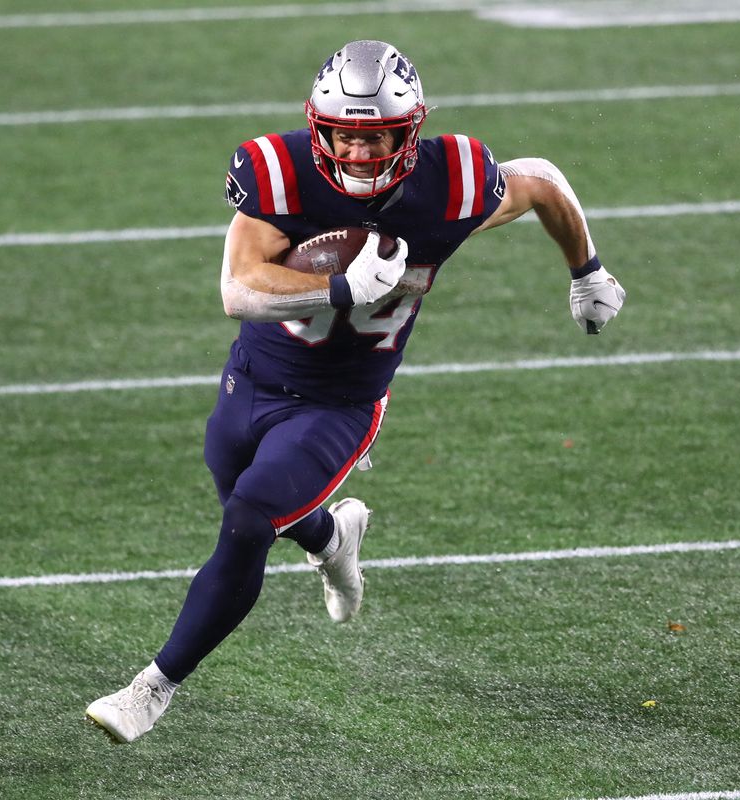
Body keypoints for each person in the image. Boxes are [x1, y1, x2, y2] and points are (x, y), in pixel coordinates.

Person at [85, 39, 625, 743]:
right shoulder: (279, 173)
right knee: (256, 505)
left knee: (249, 520)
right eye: (345, 135)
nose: (362, 154)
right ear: (318, 127)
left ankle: (151, 690)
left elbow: (543, 180)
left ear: (412, 131)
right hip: (251, 379)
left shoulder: (452, 182)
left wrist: (588, 270)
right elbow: (238, 287)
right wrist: (334, 285)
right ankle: (335, 535)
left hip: (343, 401)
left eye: (379, 138)